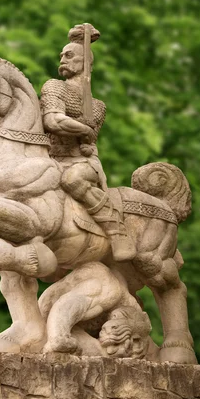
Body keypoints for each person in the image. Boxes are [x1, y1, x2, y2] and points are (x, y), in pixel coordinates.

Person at [40, 23, 136, 261]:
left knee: (71, 179)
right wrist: (84, 129)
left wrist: (86, 136)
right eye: (61, 55)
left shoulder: (97, 107)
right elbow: (53, 120)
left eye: (69, 55)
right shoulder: (53, 87)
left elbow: (87, 145)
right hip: (50, 158)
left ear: (85, 62)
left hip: (81, 162)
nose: (62, 58)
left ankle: (116, 231)